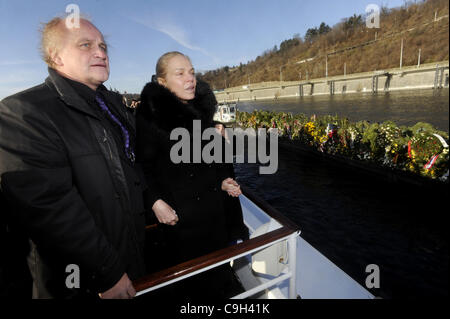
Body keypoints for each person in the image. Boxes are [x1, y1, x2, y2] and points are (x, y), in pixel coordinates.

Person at [0, 16, 147, 299]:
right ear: (56, 56)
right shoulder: (23, 113)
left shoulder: (114, 109)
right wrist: (107, 272)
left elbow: (136, 164)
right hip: (83, 284)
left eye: (103, 46)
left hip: (133, 259)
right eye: (86, 44)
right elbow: (50, 209)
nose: (101, 52)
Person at [135, 51, 248, 298]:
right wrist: (154, 201)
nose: (190, 79)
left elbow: (211, 165)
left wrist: (223, 180)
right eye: (180, 73)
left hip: (214, 214)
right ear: (162, 82)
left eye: (192, 72)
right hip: (181, 221)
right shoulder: (148, 118)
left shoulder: (203, 114)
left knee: (218, 278)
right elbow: (142, 167)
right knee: (191, 287)